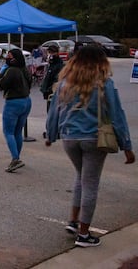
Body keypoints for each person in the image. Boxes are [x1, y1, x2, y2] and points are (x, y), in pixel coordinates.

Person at [45, 45, 135, 248]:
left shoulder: (65, 83)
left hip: (69, 138)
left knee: (81, 177)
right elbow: (116, 114)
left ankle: (73, 221)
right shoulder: (104, 83)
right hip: (94, 138)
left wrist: (51, 134)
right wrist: (126, 145)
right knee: (90, 183)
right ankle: (84, 234)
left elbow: (54, 111)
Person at [0, 49, 32, 172]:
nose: (7, 58)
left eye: (9, 56)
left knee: (8, 132)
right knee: (18, 132)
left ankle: (15, 158)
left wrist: (2, 72)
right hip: (26, 101)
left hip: (13, 102)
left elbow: (1, 84)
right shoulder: (25, 69)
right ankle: (17, 156)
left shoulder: (11, 70)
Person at [40, 45, 65, 111]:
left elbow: (57, 79)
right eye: (49, 52)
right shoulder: (51, 64)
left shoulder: (59, 65)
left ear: (57, 53)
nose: (50, 55)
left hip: (53, 93)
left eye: (52, 52)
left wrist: (49, 90)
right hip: (48, 93)